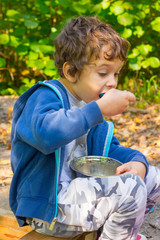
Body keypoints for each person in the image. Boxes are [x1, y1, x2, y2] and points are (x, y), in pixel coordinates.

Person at [9, 16, 160, 240]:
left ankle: (113, 233)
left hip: (82, 199)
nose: (112, 82)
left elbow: (109, 150)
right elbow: (45, 134)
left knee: (152, 177)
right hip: (50, 207)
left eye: (116, 74)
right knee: (130, 188)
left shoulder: (89, 106)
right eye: (103, 73)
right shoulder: (45, 96)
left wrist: (138, 162)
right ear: (71, 72)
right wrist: (96, 111)